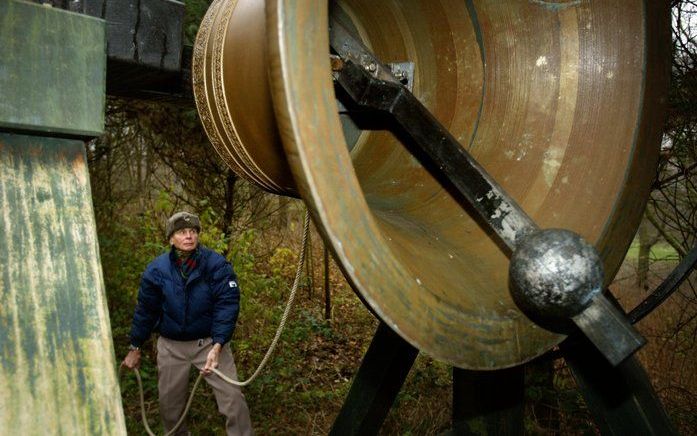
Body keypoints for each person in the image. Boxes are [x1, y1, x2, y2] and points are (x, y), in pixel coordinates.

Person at [121, 211, 253, 436]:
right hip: (172, 347)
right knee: (170, 408)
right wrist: (135, 346)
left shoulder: (216, 264)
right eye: (182, 232)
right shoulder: (156, 270)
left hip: (210, 344)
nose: (189, 236)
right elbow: (145, 311)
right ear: (171, 238)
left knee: (233, 400)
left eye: (193, 231)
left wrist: (218, 345)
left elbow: (227, 304)